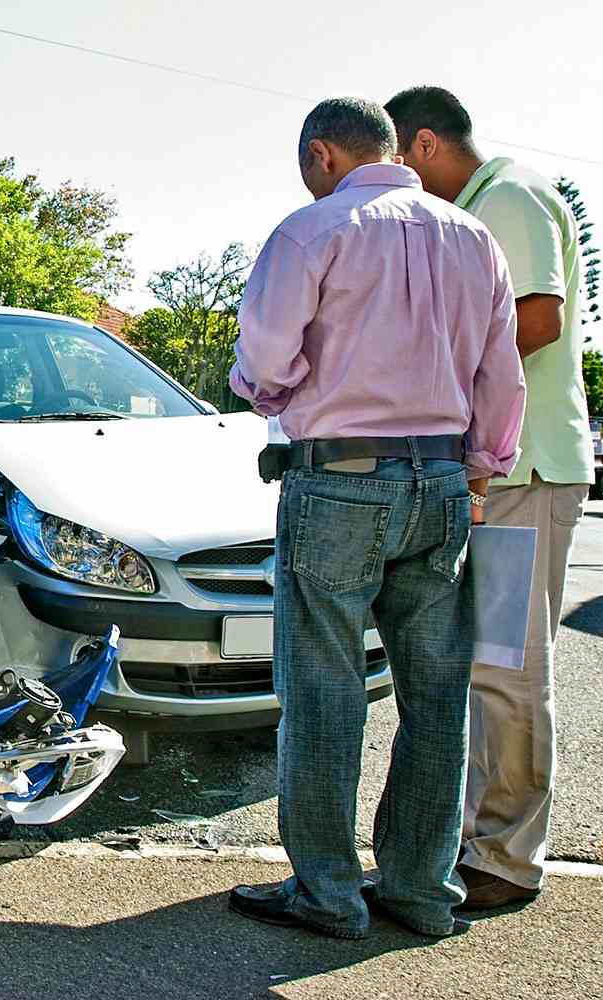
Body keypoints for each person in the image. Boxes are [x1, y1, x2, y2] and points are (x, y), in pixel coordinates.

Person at [226, 97, 526, 939]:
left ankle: (327, 893)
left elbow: (265, 361)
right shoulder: (473, 238)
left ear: (323, 155)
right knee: (436, 696)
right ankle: (420, 891)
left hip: (339, 482)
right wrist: (477, 469)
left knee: (324, 693)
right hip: (440, 485)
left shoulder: (314, 230)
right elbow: (502, 380)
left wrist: (271, 392)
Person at [386, 86, 594, 912]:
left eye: (397, 160)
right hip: (492, 475)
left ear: (427, 144)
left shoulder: (506, 196)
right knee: (483, 667)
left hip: (527, 471)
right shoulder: (470, 208)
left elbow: (537, 319)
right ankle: (475, 842)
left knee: (507, 669)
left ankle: (506, 861)